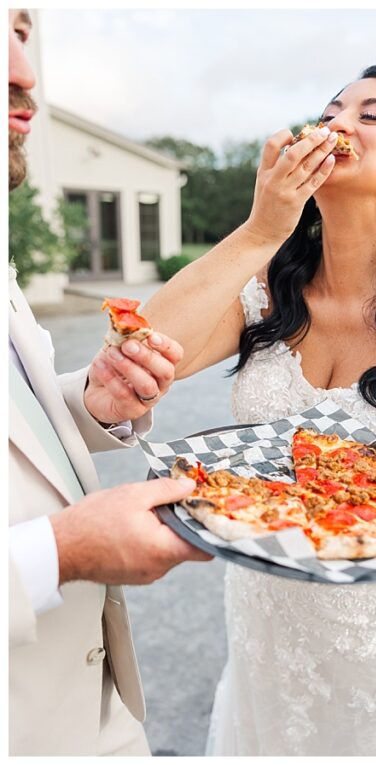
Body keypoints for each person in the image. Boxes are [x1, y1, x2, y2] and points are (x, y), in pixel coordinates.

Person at [143, 64, 376, 755]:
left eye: (371, 116)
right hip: (266, 618)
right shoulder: (268, 290)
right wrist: (258, 229)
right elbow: (146, 350)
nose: (337, 125)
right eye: (331, 111)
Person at [7, 8, 210, 755]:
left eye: (23, 28)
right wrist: (62, 551)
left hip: (97, 718)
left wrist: (92, 401)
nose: (24, 70)